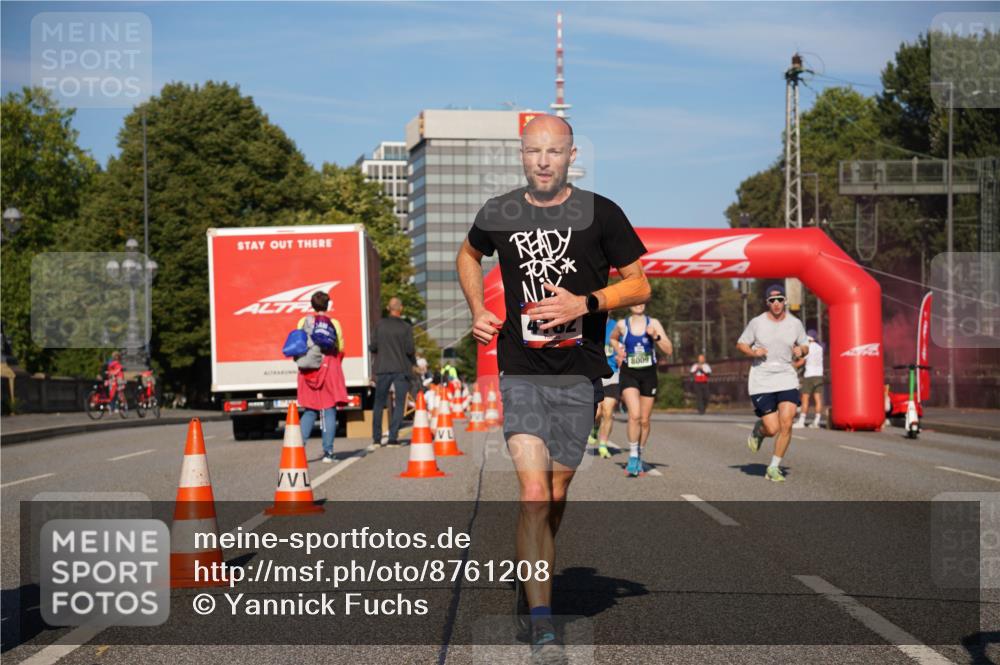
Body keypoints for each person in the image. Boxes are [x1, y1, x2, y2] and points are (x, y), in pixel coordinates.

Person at [456, 114, 650, 664]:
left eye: (555, 151)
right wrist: (478, 308)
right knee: (533, 493)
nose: (544, 161)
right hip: (520, 369)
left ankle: (534, 566)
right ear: (522, 154)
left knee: (556, 492)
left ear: (571, 156)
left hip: (579, 372)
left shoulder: (601, 213)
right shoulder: (499, 212)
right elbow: (468, 254)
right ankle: (541, 618)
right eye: (534, 151)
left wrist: (585, 303)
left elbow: (640, 284)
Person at [737, 284, 809, 483]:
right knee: (772, 429)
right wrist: (753, 352)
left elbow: (805, 345)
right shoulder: (757, 323)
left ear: (785, 301)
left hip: (786, 376)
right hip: (762, 378)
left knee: (787, 422)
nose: (776, 303)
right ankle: (759, 430)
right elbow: (741, 344)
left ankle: (774, 467)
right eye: (772, 300)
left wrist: (801, 351)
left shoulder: (795, 323)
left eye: (780, 299)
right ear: (767, 302)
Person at [610, 304, 673, 477]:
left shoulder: (653, 323)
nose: (638, 305)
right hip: (629, 373)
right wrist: (619, 351)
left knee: (644, 420)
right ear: (630, 304)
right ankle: (632, 456)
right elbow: (613, 338)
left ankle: (639, 454)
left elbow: (668, 349)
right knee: (635, 415)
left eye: (642, 301)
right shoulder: (622, 324)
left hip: (648, 375)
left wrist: (656, 336)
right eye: (635, 301)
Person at [296, 291, 348, 463]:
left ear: (312, 305)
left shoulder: (303, 321)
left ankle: (297, 450)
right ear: (327, 305)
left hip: (308, 369)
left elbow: (298, 344)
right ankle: (328, 452)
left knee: (310, 410)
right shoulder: (334, 323)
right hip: (329, 368)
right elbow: (340, 347)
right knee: (328, 410)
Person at [370, 297, 416, 447]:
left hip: (383, 368)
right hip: (401, 368)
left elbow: (373, 347)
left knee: (379, 403)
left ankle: (377, 439)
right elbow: (410, 349)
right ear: (400, 309)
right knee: (400, 403)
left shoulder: (380, 325)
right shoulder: (406, 327)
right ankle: (393, 438)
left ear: (388, 309)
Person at [588, 316, 622, 459]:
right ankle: (595, 428)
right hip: (596, 374)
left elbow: (624, 345)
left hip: (613, 374)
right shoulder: (590, 322)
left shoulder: (617, 326)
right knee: (597, 413)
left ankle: (603, 444)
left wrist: (621, 355)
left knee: (608, 411)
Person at [794, 329, 825, 428]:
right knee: (818, 399)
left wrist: (791, 365)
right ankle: (816, 421)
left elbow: (801, 362)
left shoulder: (807, 348)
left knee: (805, 399)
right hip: (819, 375)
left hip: (809, 376)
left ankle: (801, 421)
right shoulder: (820, 348)